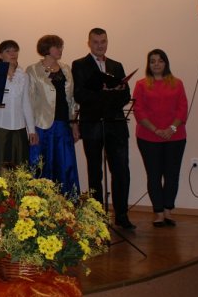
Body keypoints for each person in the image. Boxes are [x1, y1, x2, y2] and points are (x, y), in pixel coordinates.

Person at [72, 28, 135, 230]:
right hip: (92, 124)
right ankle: (96, 216)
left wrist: (114, 91)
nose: (100, 45)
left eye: (103, 41)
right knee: (95, 172)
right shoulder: (79, 65)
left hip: (115, 124)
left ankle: (122, 215)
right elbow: (79, 95)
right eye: (96, 42)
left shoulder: (117, 65)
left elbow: (125, 96)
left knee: (121, 171)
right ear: (89, 43)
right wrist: (104, 91)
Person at [132, 49, 188, 227]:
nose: (156, 64)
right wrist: (155, 130)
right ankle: (158, 213)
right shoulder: (141, 85)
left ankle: (168, 211)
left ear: (166, 63)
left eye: (160, 60)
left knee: (172, 175)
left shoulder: (177, 83)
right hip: (148, 137)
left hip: (175, 137)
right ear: (148, 64)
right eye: (152, 61)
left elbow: (182, 109)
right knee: (154, 176)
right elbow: (138, 111)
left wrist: (171, 128)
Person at [26, 35, 80, 194]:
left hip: (63, 125)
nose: (60, 49)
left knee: (65, 165)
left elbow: (72, 99)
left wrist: (74, 124)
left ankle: (66, 201)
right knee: (41, 166)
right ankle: (39, 202)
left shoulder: (66, 69)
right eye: (57, 46)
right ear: (46, 49)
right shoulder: (33, 70)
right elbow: (29, 101)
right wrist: (31, 129)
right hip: (41, 126)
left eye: (61, 46)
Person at [0, 40, 38, 183]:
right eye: (8, 51)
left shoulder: (24, 76)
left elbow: (26, 103)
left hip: (19, 131)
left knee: (19, 171)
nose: (13, 54)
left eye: (15, 50)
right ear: (0, 55)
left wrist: (31, 130)